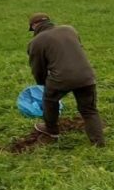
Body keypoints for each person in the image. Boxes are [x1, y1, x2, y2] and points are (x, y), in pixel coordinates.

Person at [27, 13, 105, 146]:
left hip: (61, 78)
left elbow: (38, 68)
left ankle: (52, 131)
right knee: (89, 110)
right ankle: (98, 143)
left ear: (34, 26)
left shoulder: (36, 42)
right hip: (86, 75)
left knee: (50, 100)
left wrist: (42, 84)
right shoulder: (69, 29)